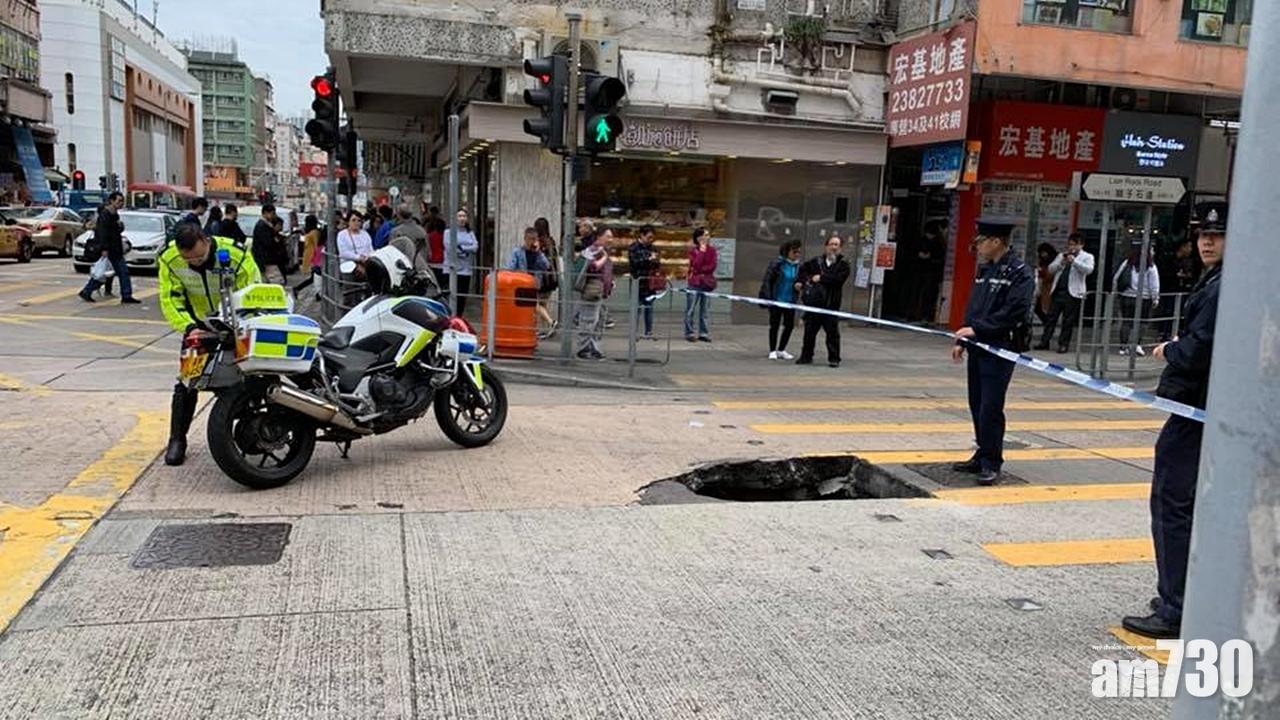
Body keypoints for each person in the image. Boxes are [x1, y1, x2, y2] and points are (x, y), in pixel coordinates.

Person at [1121, 202, 1226, 640]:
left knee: (1171, 503)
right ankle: (1182, 593)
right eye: (1203, 234)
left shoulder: (1224, 287)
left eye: (1216, 236)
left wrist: (1171, 350)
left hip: (1197, 409)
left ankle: (1176, 607)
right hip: (1207, 409)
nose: (1206, 242)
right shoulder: (1220, 281)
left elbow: (1201, 349)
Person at [157, 223, 262, 465]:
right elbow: (170, 299)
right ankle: (177, 439)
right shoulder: (170, 259)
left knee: (246, 379)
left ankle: (245, 435)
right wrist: (189, 327)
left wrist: (242, 322)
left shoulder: (236, 254)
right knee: (187, 383)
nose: (195, 263)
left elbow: (253, 288)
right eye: (189, 260)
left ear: (206, 240)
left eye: (199, 257)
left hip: (237, 324)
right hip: (197, 326)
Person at [950, 222, 1035, 486]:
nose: (978, 246)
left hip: (1001, 348)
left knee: (990, 406)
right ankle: (982, 451)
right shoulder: (985, 269)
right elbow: (974, 306)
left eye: (981, 240)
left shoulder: (1020, 273)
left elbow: (1014, 312)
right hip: (978, 345)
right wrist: (963, 339)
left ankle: (992, 462)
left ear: (996, 241)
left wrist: (977, 329)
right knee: (976, 402)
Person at [796, 234, 851, 367]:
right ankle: (806, 356)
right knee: (809, 332)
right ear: (826, 246)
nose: (833, 247)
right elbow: (803, 271)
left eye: (836, 245)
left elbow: (838, 280)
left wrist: (821, 278)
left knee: (832, 334)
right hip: (814, 304)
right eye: (831, 244)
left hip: (831, 305)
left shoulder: (843, 264)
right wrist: (802, 281)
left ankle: (834, 358)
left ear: (840, 248)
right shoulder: (816, 261)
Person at [1036, 232, 1095, 353]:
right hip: (1058, 291)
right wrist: (1060, 263)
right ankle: (1044, 341)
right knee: (1051, 318)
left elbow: (1088, 270)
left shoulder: (1087, 256)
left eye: (1074, 245)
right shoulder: (1062, 255)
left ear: (1081, 245)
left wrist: (1074, 262)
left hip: (1073, 293)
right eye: (1070, 244)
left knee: (1068, 320)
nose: (1071, 247)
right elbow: (1051, 269)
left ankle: (1063, 344)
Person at [78, 191, 139, 304]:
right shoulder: (105, 215)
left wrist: (120, 226)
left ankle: (87, 291)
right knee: (111, 272)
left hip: (115, 248)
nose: (121, 203)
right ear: (111, 201)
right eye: (119, 201)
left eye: (122, 201)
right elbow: (102, 232)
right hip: (110, 249)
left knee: (112, 272)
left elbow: (114, 232)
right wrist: (104, 249)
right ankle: (125, 295)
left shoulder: (115, 214)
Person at [758, 240, 802, 360]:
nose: (797, 254)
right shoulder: (777, 264)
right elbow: (768, 280)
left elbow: (801, 280)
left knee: (789, 326)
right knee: (774, 325)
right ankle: (772, 350)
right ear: (787, 251)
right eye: (794, 251)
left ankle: (782, 349)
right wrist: (768, 297)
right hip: (776, 299)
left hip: (791, 301)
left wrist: (799, 285)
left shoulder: (799, 266)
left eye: (799, 251)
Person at [1114, 245, 1161, 355]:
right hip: (1144, 298)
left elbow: (1117, 277)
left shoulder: (1128, 262)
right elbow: (1154, 285)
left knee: (1126, 322)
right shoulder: (1151, 266)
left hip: (1127, 296)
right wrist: (1155, 298)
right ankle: (1136, 344)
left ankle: (1123, 347)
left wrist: (1116, 291)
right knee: (1142, 323)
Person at [574, 228, 614, 360]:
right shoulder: (593, 250)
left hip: (600, 292)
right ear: (599, 237)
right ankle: (583, 349)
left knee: (598, 321)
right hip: (592, 291)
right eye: (607, 236)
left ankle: (594, 348)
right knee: (588, 320)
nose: (610, 239)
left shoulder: (601, 251)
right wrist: (605, 257)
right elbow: (593, 267)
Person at [508, 226, 555, 332]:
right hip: (522, 283)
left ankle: (535, 329)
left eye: (535, 239)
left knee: (532, 307)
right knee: (530, 307)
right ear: (525, 239)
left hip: (534, 283)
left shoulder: (538, 253)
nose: (533, 242)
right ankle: (545, 324)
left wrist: (538, 253)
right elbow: (510, 267)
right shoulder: (518, 252)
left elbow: (546, 266)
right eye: (530, 239)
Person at [442, 208, 479, 314]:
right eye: (460, 216)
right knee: (450, 297)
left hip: (466, 270)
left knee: (462, 298)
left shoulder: (470, 233)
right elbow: (450, 249)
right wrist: (467, 249)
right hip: (451, 270)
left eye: (464, 216)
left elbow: (475, 247)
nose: (462, 218)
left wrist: (462, 248)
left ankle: (459, 318)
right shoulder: (448, 232)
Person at [684, 228, 718, 342]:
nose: (708, 237)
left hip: (707, 283)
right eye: (706, 235)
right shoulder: (693, 251)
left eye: (708, 235)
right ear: (699, 238)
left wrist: (702, 270)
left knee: (705, 310)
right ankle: (689, 332)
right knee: (691, 309)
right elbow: (696, 266)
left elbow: (712, 266)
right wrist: (702, 252)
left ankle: (704, 332)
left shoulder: (712, 250)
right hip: (695, 282)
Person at [628, 224, 661, 339]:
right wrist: (648, 259)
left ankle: (648, 331)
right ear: (642, 235)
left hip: (650, 282)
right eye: (649, 237)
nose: (651, 240)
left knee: (649, 307)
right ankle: (634, 332)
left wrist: (654, 260)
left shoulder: (654, 248)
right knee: (636, 308)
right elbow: (634, 263)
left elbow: (658, 264)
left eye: (652, 238)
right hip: (637, 281)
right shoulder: (633, 247)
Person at [534, 216, 560, 338]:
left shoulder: (538, 243)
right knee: (543, 304)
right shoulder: (551, 241)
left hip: (542, 278)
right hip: (553, 277)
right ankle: (543, 330)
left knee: (534, 303)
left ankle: (551, 322)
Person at [252, 204, 287, 285]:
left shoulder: (266, 225)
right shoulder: (262, 226)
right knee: (276, 282)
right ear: (265, 213)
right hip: (267, 260)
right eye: (272, 213)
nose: (273, 216)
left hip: (269, 260)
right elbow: (268, 243)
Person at [1033, 242, 1057, 328]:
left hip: (1049, 287)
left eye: (1044, 252)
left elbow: (1050, 274)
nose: (1043, 255)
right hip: (1041, 287)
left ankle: (1048, 324)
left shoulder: (1054, 261)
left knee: (1047, 308)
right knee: (1037, 308)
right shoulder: (1042, 261)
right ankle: (1047, 323)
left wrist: (1041, 272)